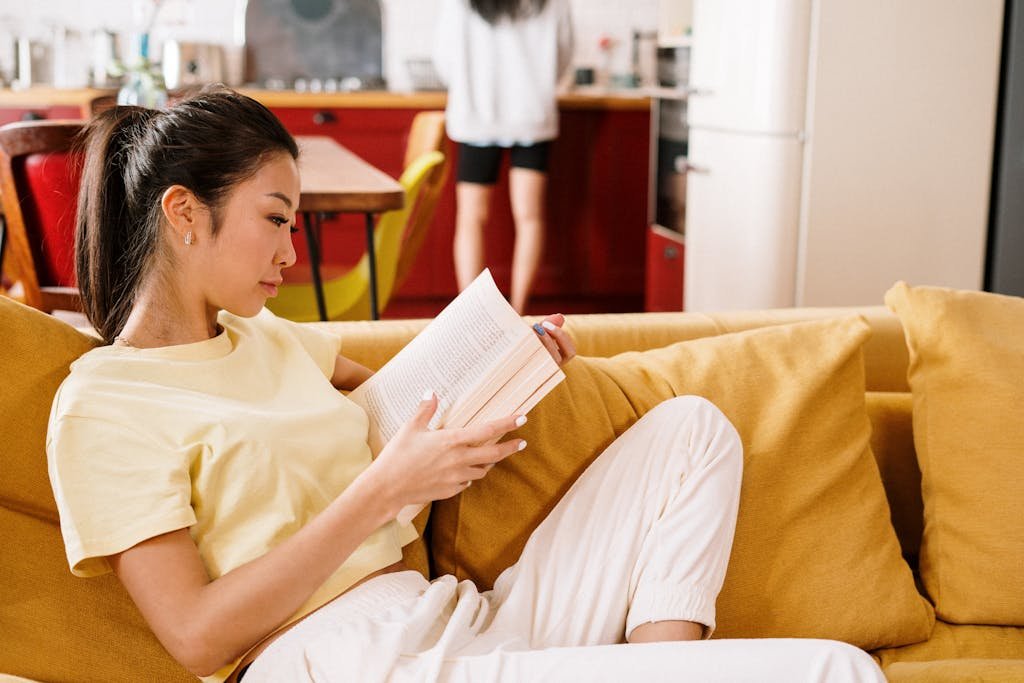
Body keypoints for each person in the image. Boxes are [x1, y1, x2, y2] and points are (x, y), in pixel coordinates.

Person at [47, 88, 886, 683]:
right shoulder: (105, 402)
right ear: (184, 213)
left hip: (447, 617)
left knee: (691, 430)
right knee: (838, 670)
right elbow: (195, 636)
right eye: (275, 219)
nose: (290, 254)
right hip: (333, 660)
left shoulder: (268, 337)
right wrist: (383, 490)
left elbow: (410, 396)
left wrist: (510, 367)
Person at [433, 0, 574, 314]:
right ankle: (520, 311)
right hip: (531, 115)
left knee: (471, 217)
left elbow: (444, 59)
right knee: (530, 217)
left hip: (476, 114)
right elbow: (564, 56)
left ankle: (471, 315)